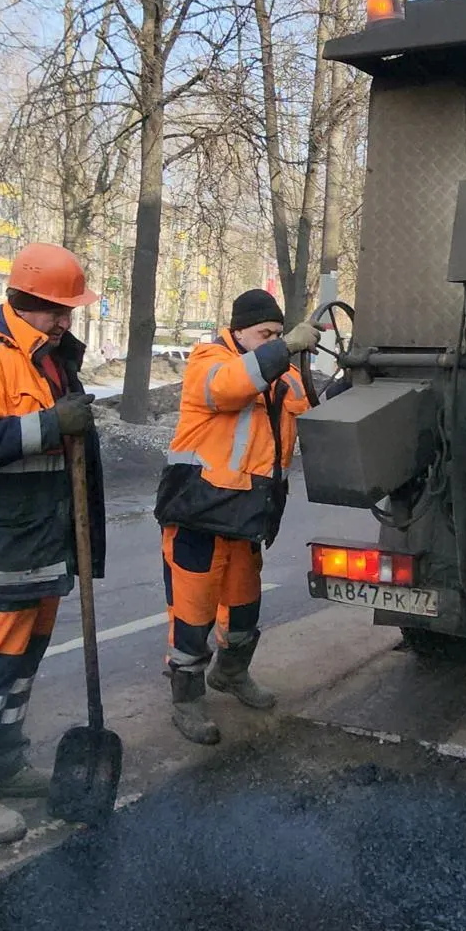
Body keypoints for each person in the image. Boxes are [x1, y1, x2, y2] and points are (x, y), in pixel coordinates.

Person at [0, 243, 105, 844]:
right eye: (59, 311)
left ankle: (3, 762)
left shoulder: (45, 354)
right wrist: (52, 425)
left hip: (41, 538)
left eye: (69, 312)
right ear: (26, 302)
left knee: (23, 661)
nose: (67, 322)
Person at [154, 289, 319, 744]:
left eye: (277, 333)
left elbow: (312, 409)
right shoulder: (210, 361)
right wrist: (283, 348)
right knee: (192, 615)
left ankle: (230, 673)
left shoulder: (279, 374)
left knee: (244, 607)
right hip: (198, 514)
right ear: (238, 330)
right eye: (264, 333)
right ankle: (186, 699)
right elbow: (228, 387)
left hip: (246, 516)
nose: (272, 339)